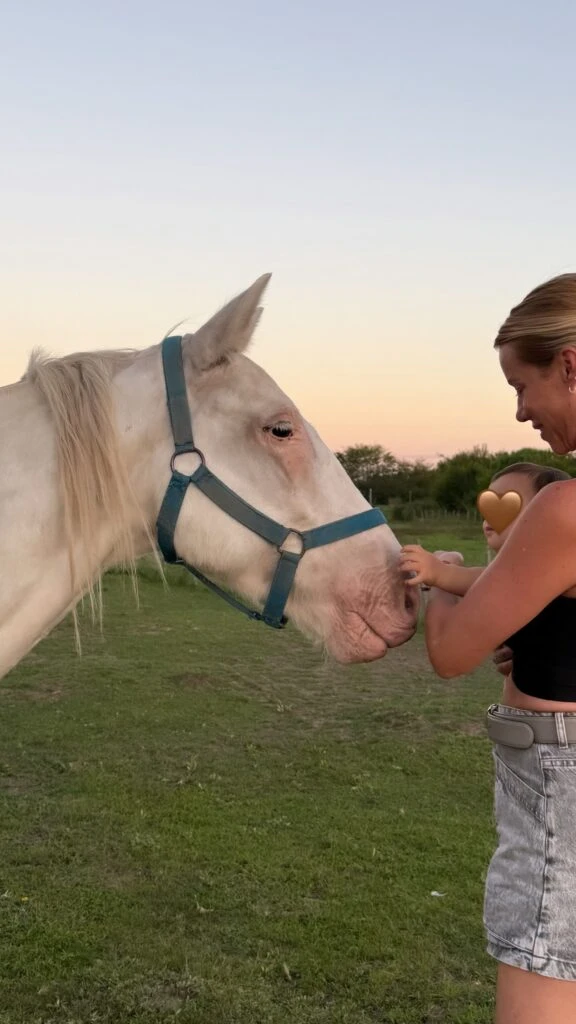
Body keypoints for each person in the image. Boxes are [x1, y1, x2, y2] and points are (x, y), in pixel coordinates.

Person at [399, 272, 576, 1024]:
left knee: (541, 985)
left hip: (559, 777)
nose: (520, 411)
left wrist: (441, 576)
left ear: (570, 365)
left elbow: (450, 654)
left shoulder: (564, 509)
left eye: (521, 385)